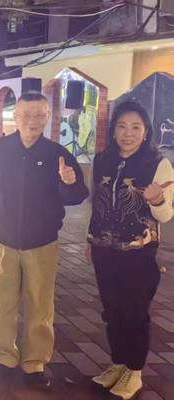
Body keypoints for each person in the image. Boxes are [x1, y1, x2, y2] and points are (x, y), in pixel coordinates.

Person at [0, 91, 89, 387]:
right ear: (15, 117)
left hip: (42, 242)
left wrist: (69, 182)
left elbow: (76, 196)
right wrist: (0, 212)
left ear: (48, 117)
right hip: (1, 239)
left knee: (40, 304)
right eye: (25, 115)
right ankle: (5, 355)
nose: (31, 121)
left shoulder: (57, 154)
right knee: (1, 301)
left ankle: (34, 362)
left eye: (38, 115)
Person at [86, 100, 174, 399]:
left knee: (134, 312)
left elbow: (166, 215)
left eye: (136, 127)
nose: (128, 133)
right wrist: (90, 240)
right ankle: (119, 364)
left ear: (146, 131)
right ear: (113, 130)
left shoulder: (157, 164)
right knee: (112, 311)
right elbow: (96, 204)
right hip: (104, 250)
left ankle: (134, 371)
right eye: (122, 126)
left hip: (138, 253)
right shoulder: (102, 160)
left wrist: (157, 200)